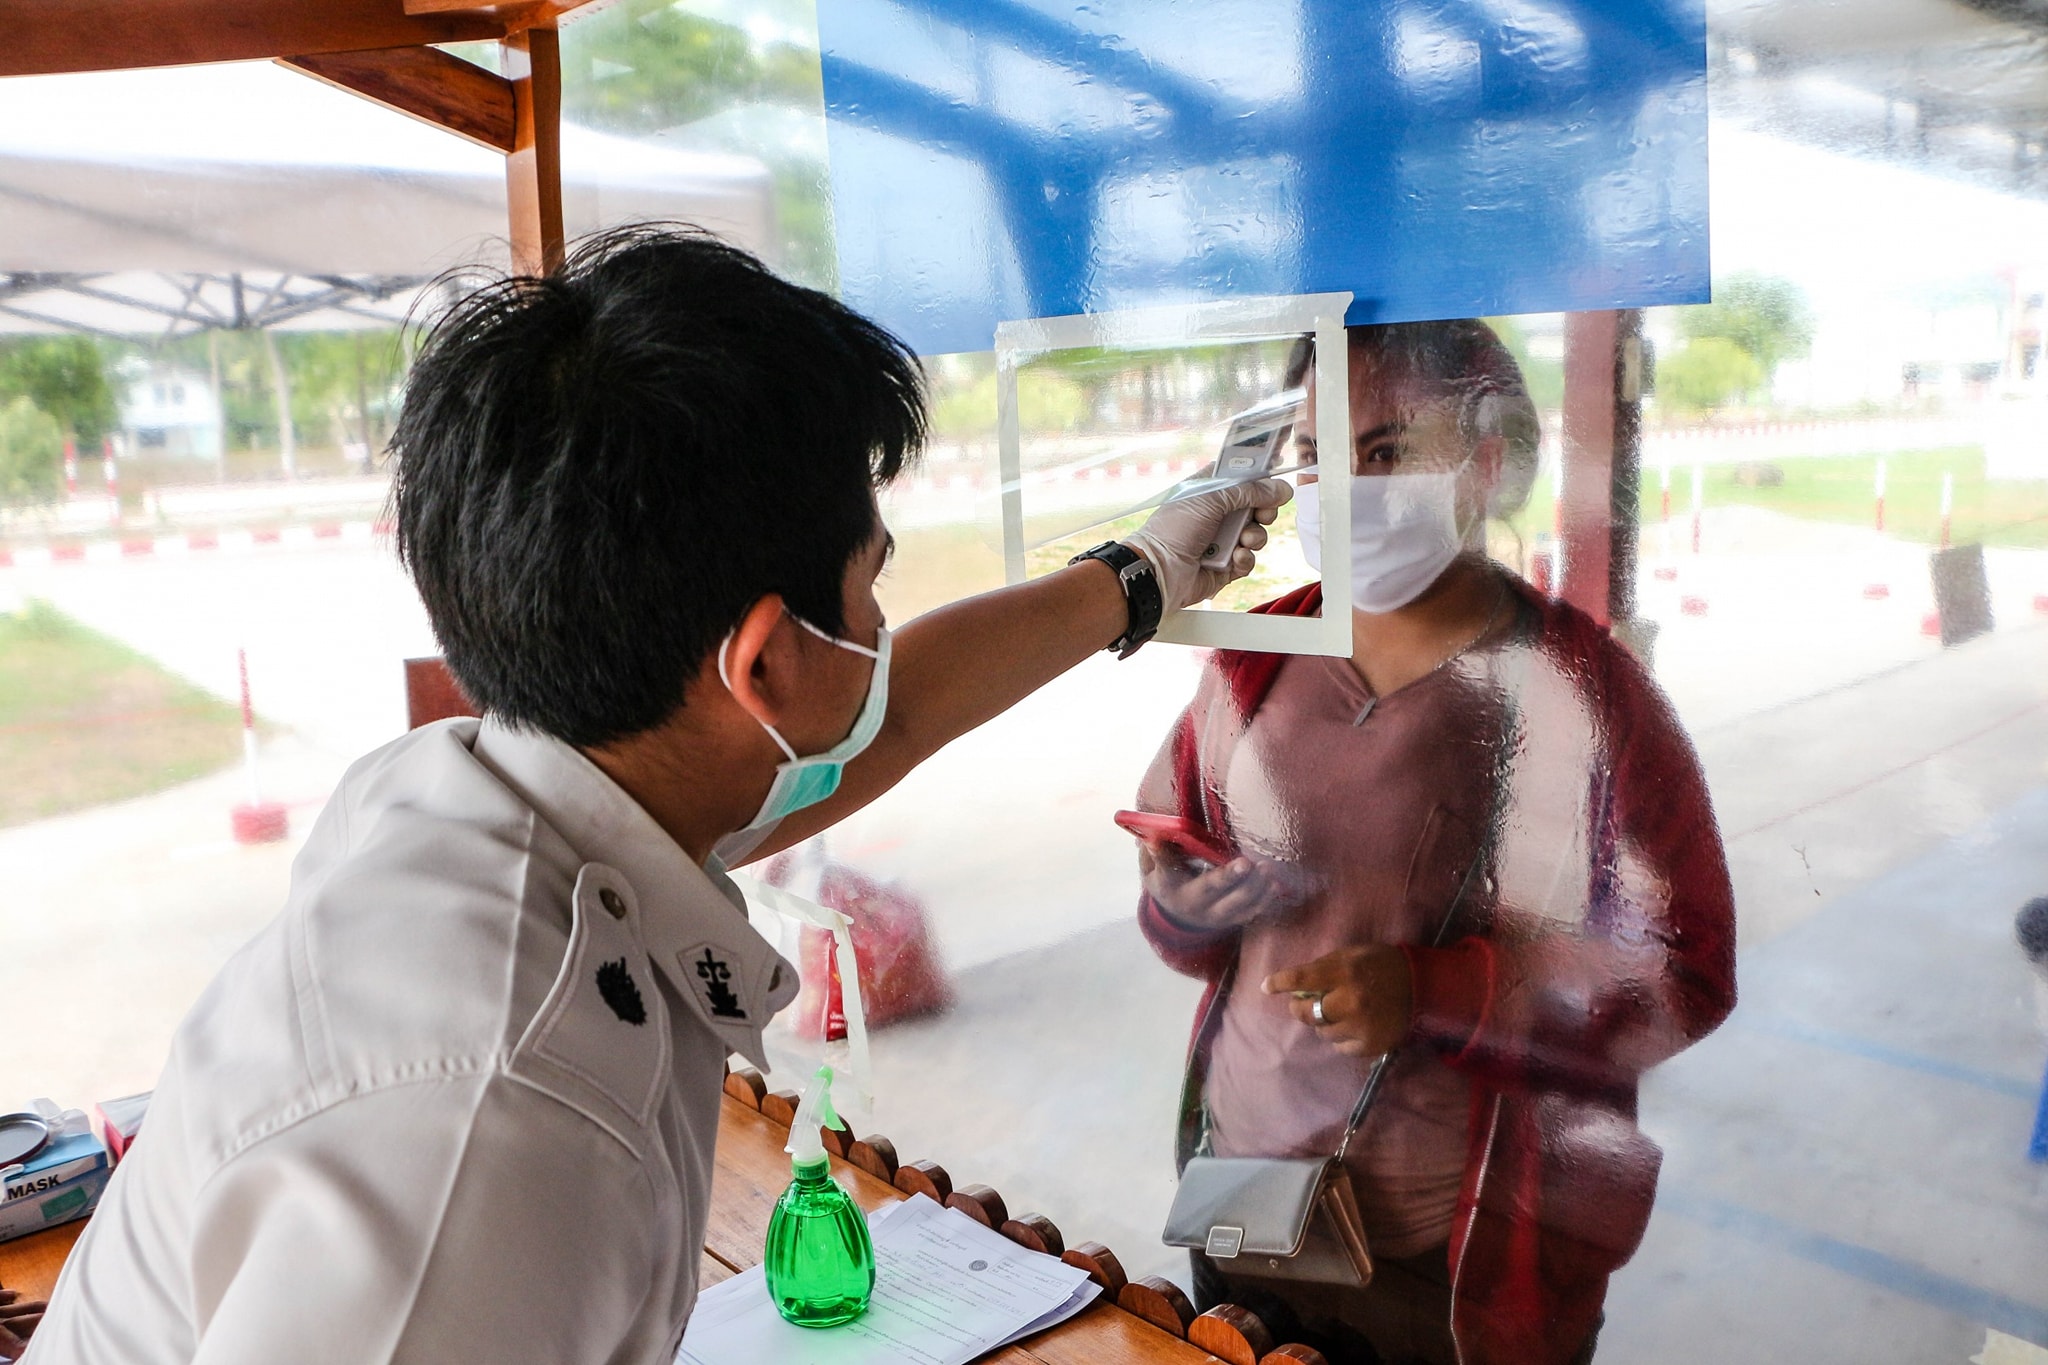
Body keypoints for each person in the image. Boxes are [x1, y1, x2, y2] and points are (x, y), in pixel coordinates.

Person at [28, 226, 1288, 1364]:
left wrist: (1139, 573)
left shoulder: (490, 792)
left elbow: (883, 715)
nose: (880, 629)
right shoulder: (490, 1130)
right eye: (867, 590)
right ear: (760, 668)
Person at [1135, 320, 1736, 1365]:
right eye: (1317, 455)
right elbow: (1172, 862)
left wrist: (1435, 992)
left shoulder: (1585, 698)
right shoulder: (1248, 659)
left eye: (1382, 451)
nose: (1340, 490)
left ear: (1482, 462)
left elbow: (1682, 971)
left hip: (1453, 1261)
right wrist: (1179, 911)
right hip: (1243, 1201)